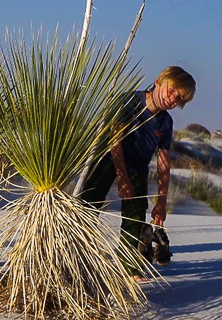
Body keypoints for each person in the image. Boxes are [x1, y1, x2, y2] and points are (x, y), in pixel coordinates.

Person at [76, 66, 196, 278]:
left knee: (136, 216)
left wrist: (161, 203)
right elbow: (115, 140)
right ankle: (73, 256)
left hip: (138, 165)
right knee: (87, 205)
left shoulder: (166, 122)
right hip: (107, 158)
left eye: (179, 100)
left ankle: (129, 268)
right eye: (171, 92)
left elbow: (163, 162)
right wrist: (122, 177)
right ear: (159, 82)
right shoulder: (129, 101)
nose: (173, 100)